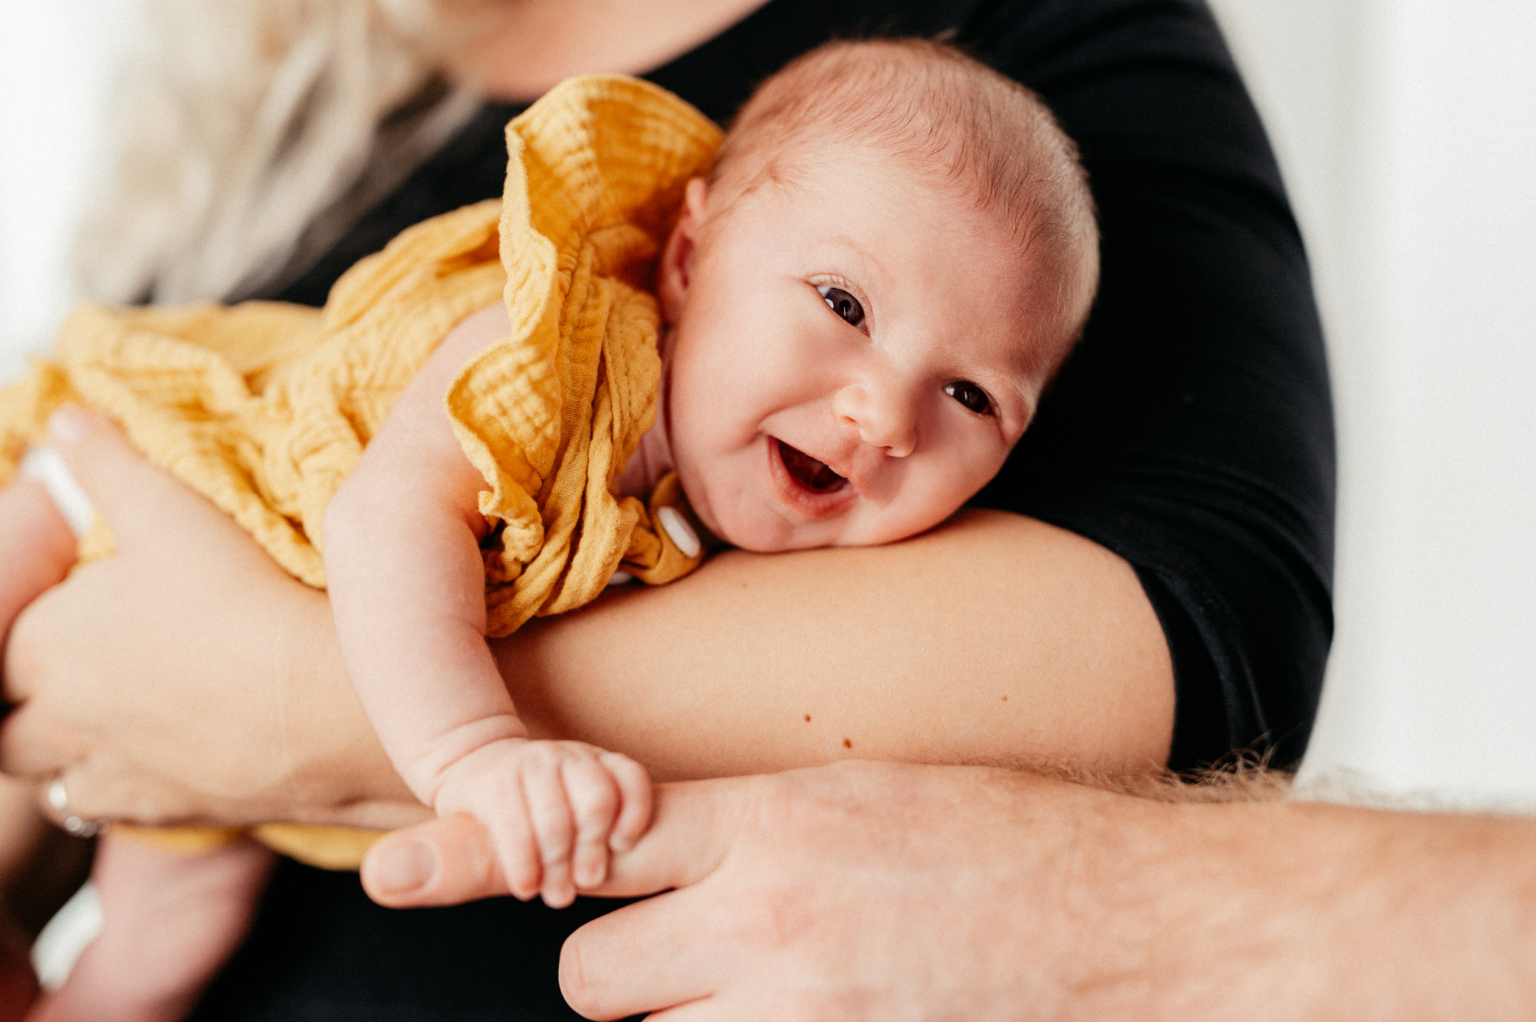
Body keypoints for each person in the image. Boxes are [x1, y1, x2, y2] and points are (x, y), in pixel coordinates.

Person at [0, 0, 1332, 1018]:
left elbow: (1207, 629)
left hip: (217, 800)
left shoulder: (1048, 51)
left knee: (160, 944)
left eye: (974, 399)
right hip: (149, 464)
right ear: (688, 256)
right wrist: (468, 752)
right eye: (847, 309)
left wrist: (280, 707)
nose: (885, 415)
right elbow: (381, 517)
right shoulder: (556, 348)